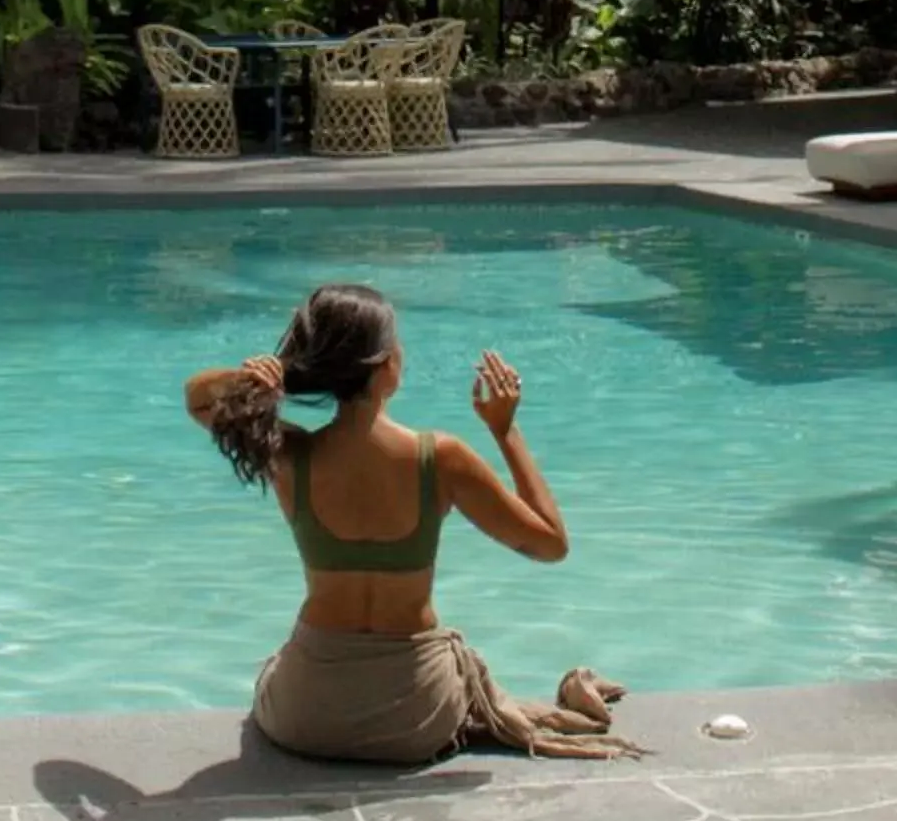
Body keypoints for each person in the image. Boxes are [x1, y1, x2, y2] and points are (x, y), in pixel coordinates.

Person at [185, 280, 638, 765]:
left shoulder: (290, 456)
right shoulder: (439, 458)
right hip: (415, 717)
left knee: (282, 666)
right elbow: (551, 545)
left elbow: (197, 398)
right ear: (385, 365)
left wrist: (254, 378)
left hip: (304, 716)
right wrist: (505, 431)